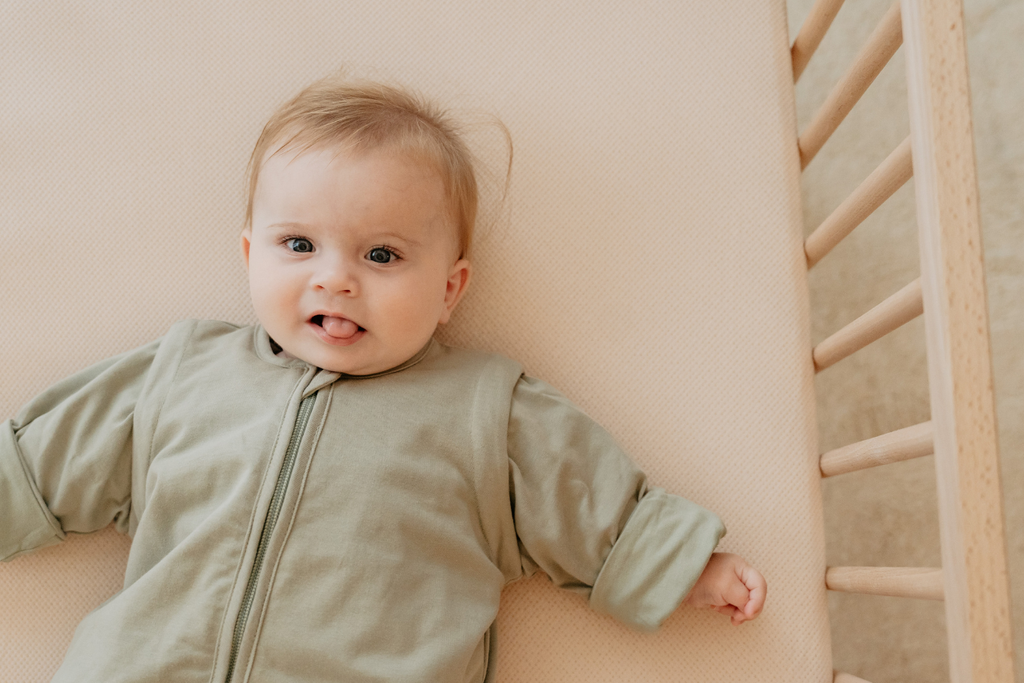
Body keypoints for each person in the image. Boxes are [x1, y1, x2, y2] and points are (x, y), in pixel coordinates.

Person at [0, 75, 766, 683]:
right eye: (298, 244)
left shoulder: (485, 410)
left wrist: (682, 564)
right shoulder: (184, 370)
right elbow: (45, 459)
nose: (334, 280)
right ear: (248, 255)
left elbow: (587, 497)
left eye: (381, 256)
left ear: (449, 290)